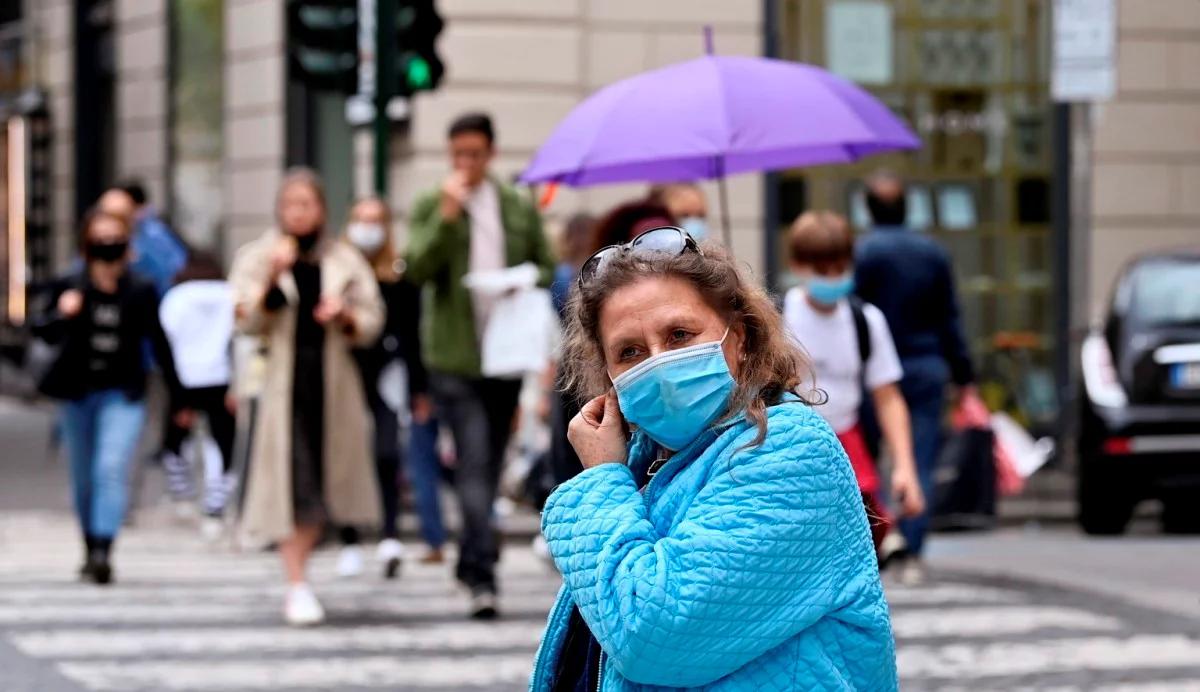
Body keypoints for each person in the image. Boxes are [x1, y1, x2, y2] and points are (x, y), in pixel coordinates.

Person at [529, 226, 896, 691]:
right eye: (630, 352)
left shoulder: (789, 451)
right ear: (608, 375)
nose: (658, 364)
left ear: (739, 339)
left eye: (680, 335)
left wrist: (602, 478)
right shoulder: (645, 465)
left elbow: (652, 633)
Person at [406, 112, 556, 618]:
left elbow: (544, 260)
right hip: (454, 355)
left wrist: (522, 277)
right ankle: (484, 578)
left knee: (490, 462)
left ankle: (470, 562)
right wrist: (447, 217)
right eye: (457, 155)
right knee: (472, 459)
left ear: (490, 154)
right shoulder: (434, 203)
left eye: (474, 154)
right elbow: (418, 267)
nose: (465, 164)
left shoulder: (514, 203)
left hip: (506, 352)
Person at [229, 168, 384, 626]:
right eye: (290, 204)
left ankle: (302, 576)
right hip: (281, 391)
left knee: (323, 485)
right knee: (291, 485)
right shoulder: (260, 256)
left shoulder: (344, 259)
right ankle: (296, 583)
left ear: (321, 208)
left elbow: (373, 320)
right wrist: (272, 284)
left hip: (331, 390)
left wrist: (345, 315)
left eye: (306, 203)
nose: (298, 212)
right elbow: (245, 319)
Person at [31, 209, 184, 585]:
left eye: (115, 236)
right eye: (99, 237)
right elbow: (40, 331)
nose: (107, 244)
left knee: (110, 469)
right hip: (77, 393)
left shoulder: (141, 288)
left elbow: (159, 342)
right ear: (86, 244)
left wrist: (181, 397)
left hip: (123, 392)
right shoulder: (71, 284)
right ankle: (88, 545)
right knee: (83, 477)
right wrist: (64, 313)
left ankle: (103, 550)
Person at [855, 169, 987, 585]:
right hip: (926, 366)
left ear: (869, 209)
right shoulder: (932, 253)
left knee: (865, 463)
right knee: (921, 459)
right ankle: (910, 548)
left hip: (873, 372)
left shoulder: (863, 254)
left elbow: (852, 315)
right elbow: (950, 319)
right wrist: (965, 376)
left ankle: (876, 542)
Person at [783, 211, 925, 565]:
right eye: (822, 270)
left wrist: (905, 467)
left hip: (848, 443)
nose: (832, 279)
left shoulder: (866, 322)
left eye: (839, 268)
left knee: (858, 541)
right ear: (798, 266)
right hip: (791, 446)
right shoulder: (778, 318)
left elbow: (888, 396)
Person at [339, 195, 434, 578]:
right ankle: (349, 537)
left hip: (388, 376)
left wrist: (419, 390)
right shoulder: (339, 273)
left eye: (376, 220)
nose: (368, 228)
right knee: (347, 455)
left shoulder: (398, 276)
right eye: (361, 219)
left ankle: (389, 533)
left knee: (386, 452)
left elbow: (412, 337)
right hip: (346, 374)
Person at [157, 251, 239, 541]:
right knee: (222, 444)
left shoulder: (177, 297)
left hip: (185, 378)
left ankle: (185, 496)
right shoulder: (230, 293)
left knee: (177, 441)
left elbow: (165, 339)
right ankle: (215, 504)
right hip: (221, 377)